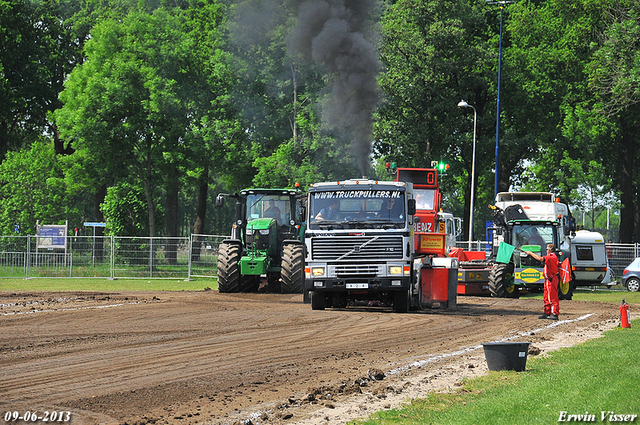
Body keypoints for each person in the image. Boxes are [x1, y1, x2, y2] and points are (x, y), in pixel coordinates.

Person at [525, 243, 560, 320]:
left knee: (552, 297)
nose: (546, 251)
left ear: (549, 250)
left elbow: (540, 259)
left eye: (547, 249)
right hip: (548, 279)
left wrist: (530, 253)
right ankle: (547, 312)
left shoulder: (551, 257)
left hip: (551, 279)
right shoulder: (552, 257)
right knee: (546, 296)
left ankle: (554, 313)